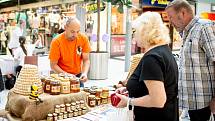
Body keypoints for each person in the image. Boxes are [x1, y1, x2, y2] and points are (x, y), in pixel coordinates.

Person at [115, 12, 178, 121]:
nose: (134, 36)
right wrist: (131, 89)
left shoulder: (152, 58)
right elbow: (157, 85)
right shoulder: (164, 50)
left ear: (144, 32)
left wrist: (128, 101)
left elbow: (158, 100)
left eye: (135, 31)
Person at [165, 0, 215, 121]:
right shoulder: (186, 32)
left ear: (183, 13)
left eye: (171, 17)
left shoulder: (203, 27)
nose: (170, 22)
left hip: (206, 102)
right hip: (194, 103)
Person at [49, 17, 91, 87]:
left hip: (78, 76)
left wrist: (84, 73)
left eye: (78, 31)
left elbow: (86, 60)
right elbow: (53, 65)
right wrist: (66, 75)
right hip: (61, 77)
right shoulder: (56, 41)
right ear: (65, 27)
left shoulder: (83, 39)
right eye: (72, 31)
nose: (75, 35)